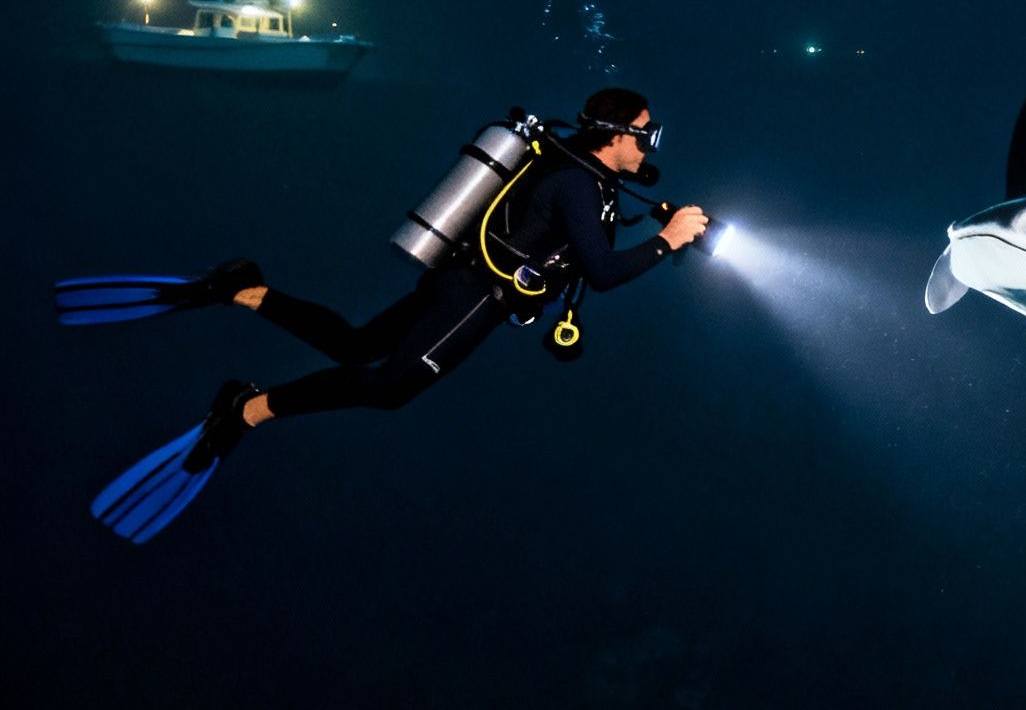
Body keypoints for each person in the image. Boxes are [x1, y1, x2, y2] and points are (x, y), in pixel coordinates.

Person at [56, 88, 709, 543]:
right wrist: (668, 240)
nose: (650, 144)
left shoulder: (586, 184)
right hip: (476, 295)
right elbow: (602, 272)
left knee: (355, 343)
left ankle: (244, 290)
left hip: (460, 282)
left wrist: (664, 231)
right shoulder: (575, 182)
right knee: (393, 387)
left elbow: (577, 256)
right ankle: (244, 410)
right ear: (616, 133)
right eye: (645, 130)